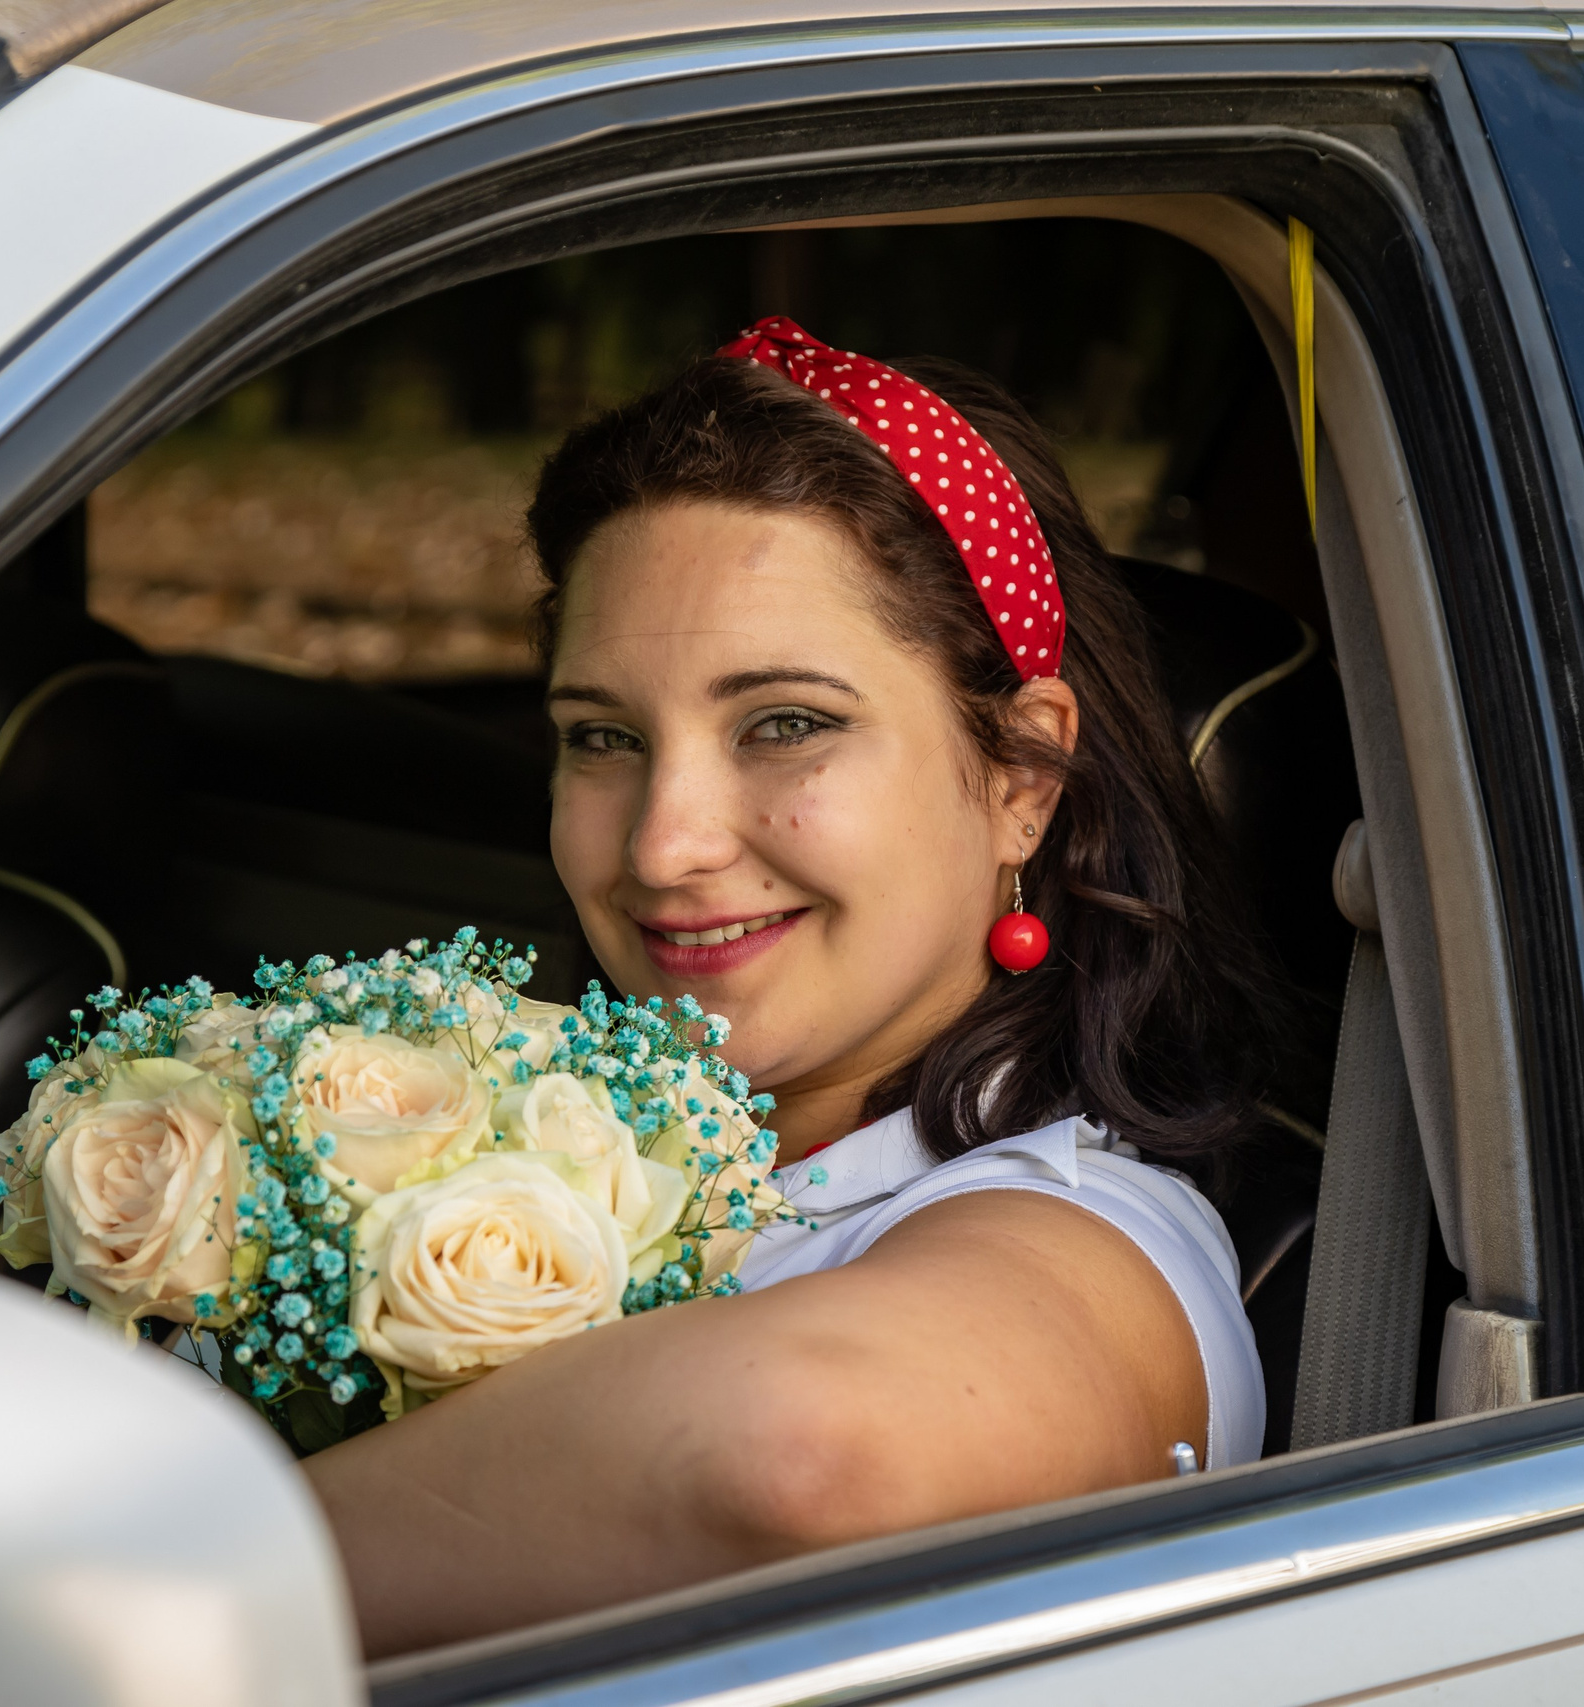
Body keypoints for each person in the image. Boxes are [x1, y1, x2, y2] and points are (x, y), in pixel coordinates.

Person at [303, 318, 1288, 1656]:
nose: (663, 843)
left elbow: (808, 1457)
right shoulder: (551, 1124)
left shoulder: (1079, 1230)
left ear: (1021, 778)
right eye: (604, 737)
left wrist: (129, 1577)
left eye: (785, 724)